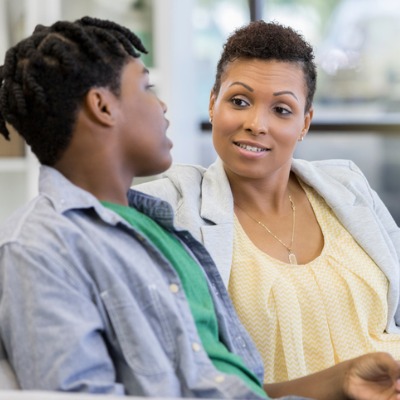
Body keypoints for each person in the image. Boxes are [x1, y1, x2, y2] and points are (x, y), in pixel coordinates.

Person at [0, 16, 399, 400]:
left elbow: (225, 387)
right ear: (103, 107)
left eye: (281, 109)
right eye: (148, 88)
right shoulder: (53, 243)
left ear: (305, 121)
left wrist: (343, 381)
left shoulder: (156, 230)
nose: (164, 107)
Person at [136, 20, 400, 385]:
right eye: (239, 101)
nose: (256, 124)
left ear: (305, 122)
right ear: (213, 103)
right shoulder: (175, 207)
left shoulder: (347, 186)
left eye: (281, 110)